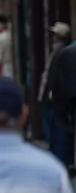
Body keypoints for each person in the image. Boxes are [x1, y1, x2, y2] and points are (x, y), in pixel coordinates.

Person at [39, 22, 71, 165]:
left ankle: (59, 160)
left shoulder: (61, 52)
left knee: (57, 133)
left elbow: (55, 76)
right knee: (53, 132)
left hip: (53, 99)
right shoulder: (55, 52)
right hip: (49, 97)